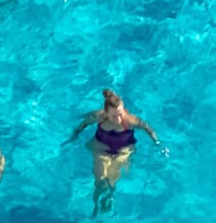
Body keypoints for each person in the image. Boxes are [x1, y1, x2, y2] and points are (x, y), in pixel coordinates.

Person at [64, 87, 165, 215]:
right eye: (114, 116)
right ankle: (96, 201)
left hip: (124, 149)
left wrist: (157, 143)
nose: (118, 119)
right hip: (101, 147)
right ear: (106, 112)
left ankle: (110, 196)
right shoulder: (99, 116)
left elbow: (148, 129)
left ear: (124, 111)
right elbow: (83, 123)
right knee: (100, 178)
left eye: (120, 114)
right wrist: (74, 136)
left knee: (112, 177)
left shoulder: (131, 120)